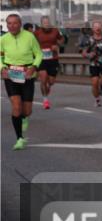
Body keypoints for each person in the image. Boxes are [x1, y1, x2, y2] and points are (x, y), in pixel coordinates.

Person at [1, 13, 42, 150]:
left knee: (27, 110)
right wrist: (2, 68)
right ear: (6, 25)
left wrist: (34, 67)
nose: (12, 26)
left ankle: (24, 117)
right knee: (16, 107)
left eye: (15, 23)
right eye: (9, 23)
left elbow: (39, 54)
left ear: (20, 24)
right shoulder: (3, 39)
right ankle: (19, 138)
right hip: (11, 75)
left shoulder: (29, 37)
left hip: (27, 75)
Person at [33, 16, 65, 110]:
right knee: (43, 79)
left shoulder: (55, 31)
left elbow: (62, 40)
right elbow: (31, 43)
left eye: (48, 22)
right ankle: (45, 100)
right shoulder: (37, 33)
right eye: (44, 22)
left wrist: (58, 45)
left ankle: (48, 87)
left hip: (53, 58)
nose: (46, 24)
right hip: (41, 59)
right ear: (41, 24)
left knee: (51, 82)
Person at [79, 21, 102, 107]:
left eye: (99, 27)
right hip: (94, 64)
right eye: (95, 27)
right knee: (94, 83)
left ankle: (101, 84)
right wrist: (89, 55)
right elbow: (83, 53)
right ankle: (97, 99)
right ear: (93, 29)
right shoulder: (89, 40)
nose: (97, 29)